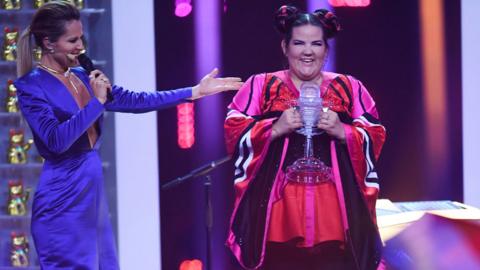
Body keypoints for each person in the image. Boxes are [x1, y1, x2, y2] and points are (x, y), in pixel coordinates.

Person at [14, 1, 242, 269]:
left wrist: (193, 92)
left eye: (81, 38)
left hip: (91, 190)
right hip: (61, 195)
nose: (81, 47)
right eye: (72, 40)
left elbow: (135, 100)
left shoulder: (81, 75)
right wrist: (95, 104)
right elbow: (55, 140)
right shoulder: (31, 86)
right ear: (49, 43)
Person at [224, 5, 386, 270]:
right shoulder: (261, 85)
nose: (307, 51)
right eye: (298, 43)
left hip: (334, 214)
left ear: (326, 50)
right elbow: (233, 128)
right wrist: (275, 128)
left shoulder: (349, 87)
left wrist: (343, 132)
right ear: (285, 48)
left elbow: (376, 132)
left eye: (316, 43)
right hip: (277, 214)